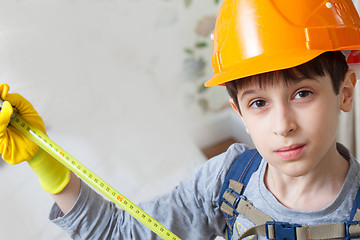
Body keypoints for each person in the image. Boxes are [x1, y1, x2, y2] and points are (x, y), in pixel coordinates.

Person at [1, 0, 360, 239]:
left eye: (302, 94)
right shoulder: (227, 180)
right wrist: (42, 159)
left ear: (344, 92)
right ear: (239, 114)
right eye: (259, 103)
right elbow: (119, 232)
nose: (283, 125)